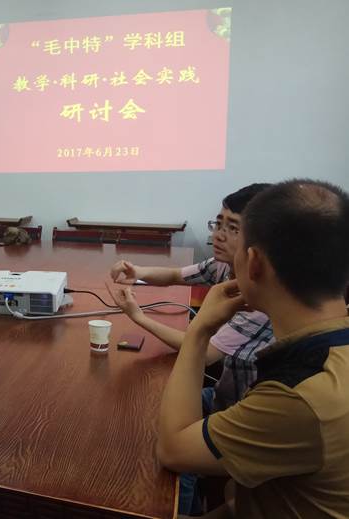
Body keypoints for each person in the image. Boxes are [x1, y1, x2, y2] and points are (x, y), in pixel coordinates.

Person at [158, 179, 349, 519]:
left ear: (254, 262)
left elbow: (172, 450)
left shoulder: (300, 395)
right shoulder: (325, 352)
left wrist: (200, 330)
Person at [111, 184, 272, 413]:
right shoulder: (223, 265)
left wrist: (139, 317)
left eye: (233, 228)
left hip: (235, 409)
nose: (218, 235)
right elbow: (176, 275)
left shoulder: (260, 298)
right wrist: (137, 272)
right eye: (219, 224)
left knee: (144, 406)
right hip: (220, 390)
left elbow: (205, 354)